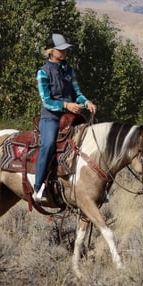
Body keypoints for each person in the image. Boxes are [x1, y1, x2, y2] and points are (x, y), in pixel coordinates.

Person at [33, 33, 97, 203]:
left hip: (70, 117)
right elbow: (46, 101)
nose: (64, 52)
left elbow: (77, 93)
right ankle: (38, 187)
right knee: (47, 145)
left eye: (65, 49)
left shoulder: (69, 70)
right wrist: (66, 105)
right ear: (50, 51)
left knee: (89, 141)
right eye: (60, 50)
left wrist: (87, 101)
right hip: (51, 118)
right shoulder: (43, 72)